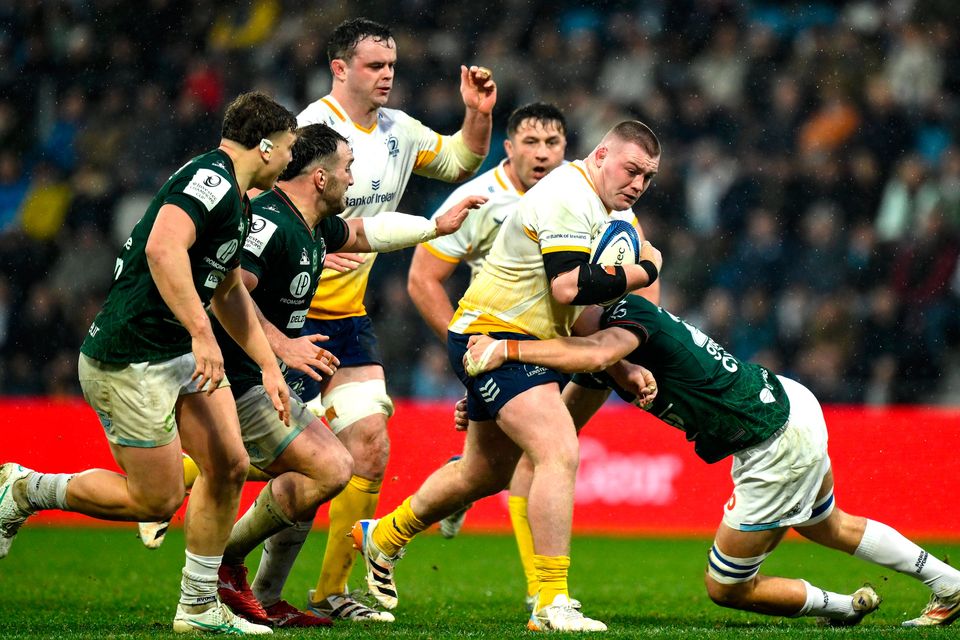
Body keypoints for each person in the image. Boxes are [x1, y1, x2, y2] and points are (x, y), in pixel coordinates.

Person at [138, 124, 486, 627]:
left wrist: (436, 227)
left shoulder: (314, 223)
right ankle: (36, 492)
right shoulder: (269, 226)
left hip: (262, 379)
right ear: (320, 177)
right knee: (167, 492)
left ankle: (249, 582)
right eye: (347, 167)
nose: (354, 177)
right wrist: (281, 346)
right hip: (229, 382)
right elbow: (228, 295)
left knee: (327, 466)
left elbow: (367, 233)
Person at [462, 294, 960, 628]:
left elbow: (592, 355)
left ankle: (845, 606)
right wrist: (497, 407)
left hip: (771, 442)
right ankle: (945, 583)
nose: (560, 322)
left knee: (726, 587)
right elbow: (561, 421)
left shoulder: (626, 321)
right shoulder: (605, 355)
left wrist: (505, 349)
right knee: (828, 525)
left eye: (565, 312)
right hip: (787, 403)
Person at [0, 91, 298, 635]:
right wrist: (202, 335)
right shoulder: (209, 180)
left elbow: (229, 290)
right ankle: (25, 490)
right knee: (154, 499)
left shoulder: (239, 198)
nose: (289, 160)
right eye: (288, 148)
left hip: (176, 351)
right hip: (130, 355)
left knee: (229, 465)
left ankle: (198, 607)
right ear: (265, 145)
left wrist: (269, 364)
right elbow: (164, 250)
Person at [351, 120, 663, 632]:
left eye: (647, 177)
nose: (637, 184)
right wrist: (646, 269)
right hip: (493, 338)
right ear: (602, 154)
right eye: (631, 170)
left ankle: (384, 536)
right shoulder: (569, 193)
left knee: (484, 473)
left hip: (521, 341)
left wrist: (619, 364)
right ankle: (551, 600)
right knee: (557, 450)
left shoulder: (612, 210)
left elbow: (579, 310)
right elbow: (568, 288)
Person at [292, 17, 497, 622]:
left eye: (391, 66)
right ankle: (174, 481)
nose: (387, 76)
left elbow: (461, 159)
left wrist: (478, 113)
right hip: (289, 316)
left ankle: (331, 593)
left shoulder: (398, 130)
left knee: (371, 447)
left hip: (348, 317)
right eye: (374, 65)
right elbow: (261, 205)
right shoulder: (307, 130)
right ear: (339, 69)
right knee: (261, 456)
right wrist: (307, 241)